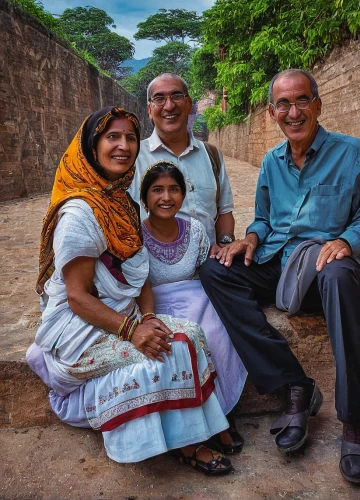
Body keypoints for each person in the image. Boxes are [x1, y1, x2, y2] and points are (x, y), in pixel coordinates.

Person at [26, 106, 233, 475]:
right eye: (112, 137)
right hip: (80, 330)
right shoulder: (78, 212)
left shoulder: (121, 202)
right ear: (92, 146)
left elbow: (139, 279)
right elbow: (77, 297)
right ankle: (183, 443)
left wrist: (148, 317)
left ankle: (200, 429)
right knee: (170, 351)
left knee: (194, 335)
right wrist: (133, 330)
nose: (124, 146)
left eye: (131, 138)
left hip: (121, 315)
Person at [200, 69, 360, 484]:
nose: (293, 112)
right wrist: (248, 238)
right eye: (282, 104)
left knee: (336, 274)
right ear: (271, 113)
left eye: (301, 101)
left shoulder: (352, 152)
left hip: (331, 271)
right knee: (215, 269)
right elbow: (264, 219)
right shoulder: (270, 162)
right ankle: (295, 385)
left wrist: (347, 242)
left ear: (317, 104)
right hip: (281, 262)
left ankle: (355, 422)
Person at [139, 160, 247, 453]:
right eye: (157, 190)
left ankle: (223, 412)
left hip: (196, 297)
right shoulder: (134, 235)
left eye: (174, 189)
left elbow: (206, 270)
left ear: (183, 196)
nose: (166, 197)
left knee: (215, 333)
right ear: (145, 197)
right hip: (154, 303)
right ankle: (198, 422)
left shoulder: (196, 230)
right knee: (178, 347)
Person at [129, 72, 235, 253]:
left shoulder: (212, 155)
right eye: (159, 98)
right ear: (149, 110)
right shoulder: (134, 158)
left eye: (177, 96)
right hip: (153, 274)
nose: (169, 106)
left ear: (188, 104)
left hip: (207, 272)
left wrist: (225, 244)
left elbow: (224, 210)